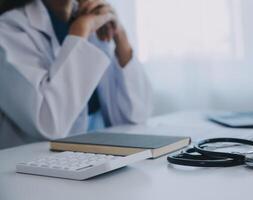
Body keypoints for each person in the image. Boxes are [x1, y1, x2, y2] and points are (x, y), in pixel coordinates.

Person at [0, 0, 153, 149]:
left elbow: (137, 116)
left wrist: (121, 37)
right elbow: (49, 125)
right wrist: (79, 33)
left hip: (100, 156)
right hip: (36, 166)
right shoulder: (8, 30)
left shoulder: (93, 18)